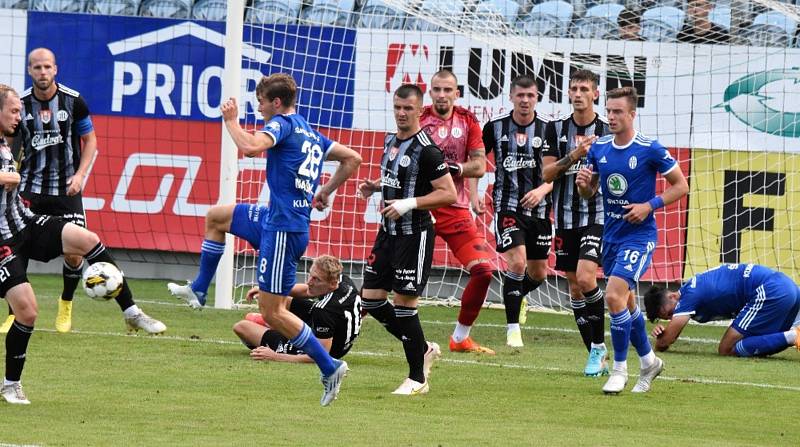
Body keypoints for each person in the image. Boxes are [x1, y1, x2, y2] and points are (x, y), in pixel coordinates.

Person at [178, 73, 360, 406]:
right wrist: (325, 191)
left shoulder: (283, 125)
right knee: (217, 218)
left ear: (276, 103)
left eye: (260, 101)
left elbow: (248, 147)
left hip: (284, 229)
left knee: (273, 312)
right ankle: (200, 288)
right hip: (274, 218)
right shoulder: (310, 131)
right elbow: (353, 159)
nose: (258, 107)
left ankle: (330, 366)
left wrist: (231, 122)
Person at [0, 84, 165, 405]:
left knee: (86, 239)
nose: (20, 116)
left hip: (26, 223)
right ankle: (10, 385)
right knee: (28, 311)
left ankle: (130, 311)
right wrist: (10, 178)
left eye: (21, 111)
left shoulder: (7, 143)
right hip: (2, 240)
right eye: (14, 111)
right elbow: (9, 178)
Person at [576, 86, 688, 394]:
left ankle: (619, 370)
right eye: (608, 111)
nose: (610, 116)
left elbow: (681, 186)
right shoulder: (598, 148)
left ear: (632, 114)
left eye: (617, 112)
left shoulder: (649, 148)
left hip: (640, 237)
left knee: (612, 295)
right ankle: (650, 362)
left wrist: (648, 206)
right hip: (611, 234)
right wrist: (585, 185)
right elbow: (589, 192)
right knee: (624, 303)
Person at [358, 83, 456, 395]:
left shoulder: (427, 149)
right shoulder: (390, 141)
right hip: (388, 233)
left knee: (404, 304)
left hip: (415, 235)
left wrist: (408, 204)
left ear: (419, 109)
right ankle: (423, 348)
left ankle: (417, 379)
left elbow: (448, 192)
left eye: (408, 109)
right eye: (398, 108)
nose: (402, 114)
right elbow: (400, 179)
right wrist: (376, 187)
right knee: (371, 299)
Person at [1, 48, 97, 333]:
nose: (42, 72)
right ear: (29, 71)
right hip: (30, 187)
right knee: (18, 247)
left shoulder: (74, 101)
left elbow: (90, 140)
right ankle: (12, 312)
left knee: (75, 253)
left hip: (67, 189)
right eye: (36, 68)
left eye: (47, 67)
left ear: (55, 69)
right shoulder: (20, 105)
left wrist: (80, 175)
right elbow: (11, 143)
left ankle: (66, 303)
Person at [419, 70, 496, 355]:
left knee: (484, 271)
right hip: (420, 206)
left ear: (456, 93)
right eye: (437, 89)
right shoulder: (418, 118)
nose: (442, 95)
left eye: (447, 90)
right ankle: (344, 325)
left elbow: (479, 166)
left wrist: (456, 169)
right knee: (386, 274)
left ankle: (460, 337)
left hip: (455, 209)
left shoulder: (468, 121)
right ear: (431, 92)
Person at [542, 69, 610, 376]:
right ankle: (595, 354)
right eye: (574, 88)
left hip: (597, 217)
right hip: (565, 219)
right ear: (568, 93)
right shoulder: (555, 130)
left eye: (585, 88)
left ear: (596, 94)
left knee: (586, 278)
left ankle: (599, 347)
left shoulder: (608, 132)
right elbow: (545, 174)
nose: (578, 93)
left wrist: (591, 185)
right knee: (574, 288)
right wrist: (574, 155)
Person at [482, 75, 553, 348]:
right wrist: (477, 192)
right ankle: (513, 330)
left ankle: (519, 295)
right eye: (520, 95)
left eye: (530, 96)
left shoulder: (548, 129)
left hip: (540, 210)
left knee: (538, 274)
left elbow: (558, 171)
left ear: (537, 98)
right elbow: (479, 158)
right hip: (507, 207)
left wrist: (542, 191)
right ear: (511, 97)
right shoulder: (495, 127)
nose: (525, 100)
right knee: (517, 264)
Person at [644, 263, 800, 357]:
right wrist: (664, 334)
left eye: (670, 313)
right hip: (787, 285)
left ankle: (793, 336)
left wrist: (660, 339)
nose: (673, 318)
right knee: (768, 339)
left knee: (726, 348)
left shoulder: (688, 297)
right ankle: (794, 334)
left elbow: (665, 342)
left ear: (672, 296)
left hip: (770, 290)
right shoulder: (693, 287)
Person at [233, 255, 362, 363]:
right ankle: (278, 326)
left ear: (332, 283)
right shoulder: (343, 280)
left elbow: (319, 356)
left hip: (326, 348)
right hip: (334, 328)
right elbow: (306, 290)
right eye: (310, 275)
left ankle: (279, 331)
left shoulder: (324, 311)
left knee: (242, 326)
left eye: (316, 279)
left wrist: (275, 356)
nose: (309, 282)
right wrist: (267, 290)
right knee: (278, 299)